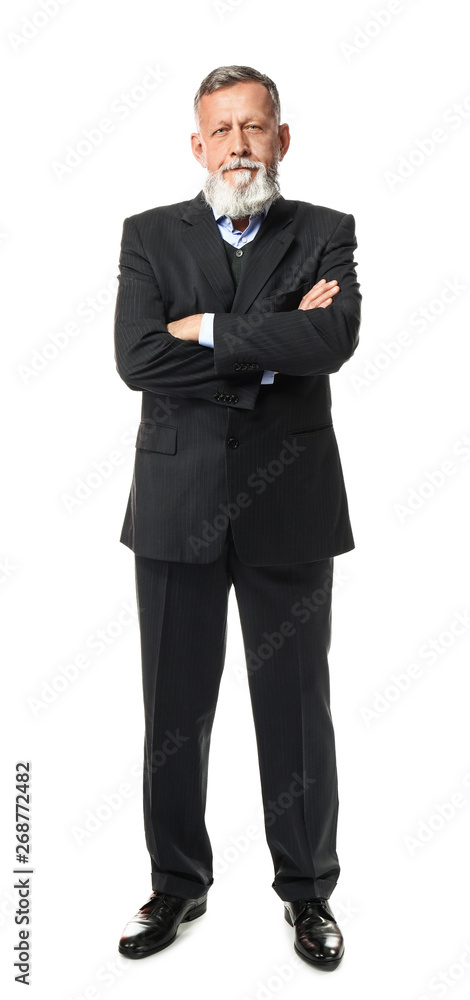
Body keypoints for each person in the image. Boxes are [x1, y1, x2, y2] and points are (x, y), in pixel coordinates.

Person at [114, 64, 361, 971]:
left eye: (254, 128)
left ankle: (308, 893)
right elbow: (137, 359)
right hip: (176, 507)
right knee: (173, 710)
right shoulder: (149, 236)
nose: (239, 146)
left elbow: (331, 340)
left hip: (290, 505)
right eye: (221, 131)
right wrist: (270, 345)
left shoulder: (325, 232)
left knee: (295, 711)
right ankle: (176, 884)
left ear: (282, 138)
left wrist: (209, 331)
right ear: (197, 146)